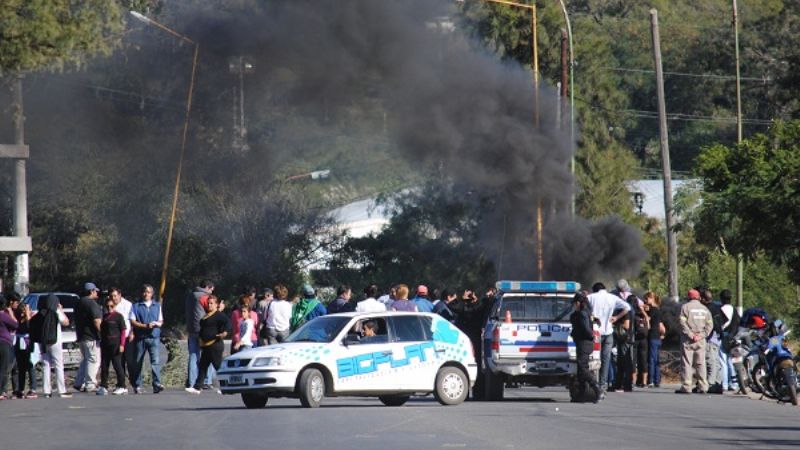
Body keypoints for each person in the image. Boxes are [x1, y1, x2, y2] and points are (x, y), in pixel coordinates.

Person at [588, 282, 631, 393]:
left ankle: (594, 383)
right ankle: (603, 384)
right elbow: (628, 307)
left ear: (595, 290)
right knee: (606, 360)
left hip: (595, 333)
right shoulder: (612, 297)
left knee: (594, 359)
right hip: (608, 332)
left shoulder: (591, 297)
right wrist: (616, 317)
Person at [186, 295, 230, 394]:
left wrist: (225, 332)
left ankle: (226, 386)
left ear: (216, 305)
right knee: (202, 366)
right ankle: (197, 387)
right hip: (206, 346)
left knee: (218, 366)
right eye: (208, 303)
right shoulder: (207, 315)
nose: (209, 305)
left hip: (215, 345)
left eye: (212, 303)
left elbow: (228, 322)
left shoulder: (218, 315)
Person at [30, 294, 72, 398]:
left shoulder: (39, 313)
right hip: (55, 341)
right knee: (58, 364)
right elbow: (66, 322)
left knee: (45, 364)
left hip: (42, 341)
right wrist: (60, 310)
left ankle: (46, 390)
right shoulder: (55, 311)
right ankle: (61, 390)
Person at [676, 289, 713, 394]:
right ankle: (703, 386)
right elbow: (710, 325)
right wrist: (701, 336)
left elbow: (682, 323)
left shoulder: (685, 307)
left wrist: (691, 335)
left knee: (687, 362)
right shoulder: (705, 309)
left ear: (689, 297)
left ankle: (687, 386)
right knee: (701, 363)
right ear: (699, 297)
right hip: (701, 340)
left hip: (688, 339)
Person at [130, 284, 165, 394]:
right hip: (141, 338)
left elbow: (161, 320)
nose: (146, 294)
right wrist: (145, 326)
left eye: (149, 292)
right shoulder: (136, 306)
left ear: (152, 294)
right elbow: (133, 321)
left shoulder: (157, 306)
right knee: (138, 362)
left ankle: (156, 384)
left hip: (154, 337)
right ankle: (137, 384)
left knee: (155, 362)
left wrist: (157, 324)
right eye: (145, 292)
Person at [570, 292, 601, 403]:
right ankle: (582, 395)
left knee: (582, 368)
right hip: (584, 343)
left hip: (584, 343)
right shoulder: (588, 312)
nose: (574, 306)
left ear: (578, 303)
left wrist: (590, 336)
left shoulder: (583, 313)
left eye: (575, 304)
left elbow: (586, 328)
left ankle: (597, 387)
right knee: (580, 371)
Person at [185, 279, 214, 389]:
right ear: (207, 287)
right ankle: (207, 380)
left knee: (193, 355)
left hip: (191, 329)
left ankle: (192, 381)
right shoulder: (204, 297)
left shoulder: (190, 296)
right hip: (203, 329)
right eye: (211, 289)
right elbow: (211, 310)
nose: (211, 292)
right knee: (208, 354)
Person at [74, 282, 103, 392]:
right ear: (91, 291)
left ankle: (79, 382)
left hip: (81, 336)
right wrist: (102, 333)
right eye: (95, 291)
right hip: (91, 336)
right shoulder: (91, 303)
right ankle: (90, 383)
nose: (97, 293)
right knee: (93, 360)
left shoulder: (79, 302)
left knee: (85, 360)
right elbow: (96, 321)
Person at [97, 296, 127, 396]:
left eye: (111, 306)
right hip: (105, 344)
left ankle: (122, 386)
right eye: (107, 306)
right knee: (104, 366)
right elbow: (102, 331)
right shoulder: (104, 317)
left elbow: (123, 331)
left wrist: (122, 344)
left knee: (117, 365)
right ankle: (103, 386)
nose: (109, 308)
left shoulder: (119, 316)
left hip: (116, 345)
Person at [10, 293, 37, 399]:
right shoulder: (17, 320)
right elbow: (17, 325)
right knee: (20, 367)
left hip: (28, 342)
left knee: (30, 365)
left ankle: (32, 388)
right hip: (19, 341)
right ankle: (20, 389)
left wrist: (28, 315)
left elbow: (30, 327)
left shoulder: (30, 320)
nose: (24, 314)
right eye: (21, 312)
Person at [699, 288, 725, 394]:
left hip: (711, 337)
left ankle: (711, 383)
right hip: (718, 336)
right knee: (717, 361)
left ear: (704, 299)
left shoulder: (707, 309)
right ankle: (718, 382)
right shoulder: (717, 307)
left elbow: (709, 324)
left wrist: (705, 336)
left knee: (710, 361)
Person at [108, 287, 133, 387]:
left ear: (120, 295)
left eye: (115, 296)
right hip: (115, 339)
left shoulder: (128, 305)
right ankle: (121, 384)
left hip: (127, 337)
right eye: (112, 296)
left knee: (130, 361)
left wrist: (132, 333)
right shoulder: (109, 305)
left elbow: (132, 320)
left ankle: (135, 383)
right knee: (118, 362)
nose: (114, 298)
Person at [612, 295, 636, 392]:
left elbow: (626, 325)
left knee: (625, 362)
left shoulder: (626, 312)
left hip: (625, 339)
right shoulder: (632, 311)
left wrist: (615, 323)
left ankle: (625, 384)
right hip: (627, 338)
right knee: (624, 362)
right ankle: (621, 384)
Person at [718, 289, 739, 392]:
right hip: (732, 337)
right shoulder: (734, 309)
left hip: (723, 337)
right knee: (730, 361)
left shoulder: (720, 309)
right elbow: (737, 323)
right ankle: (734, 384)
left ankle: (724, 384)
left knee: (722, 361)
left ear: (721, 299)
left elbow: (719, 324)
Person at [644, 292, 665, 388]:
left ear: (651, 299)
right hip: (657, 337)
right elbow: (661, 326)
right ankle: (657, 380)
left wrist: (642, 311)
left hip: (652, 335)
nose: (645, 301)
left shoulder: (653, 309)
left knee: (652, 359)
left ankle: (651, 380)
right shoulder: (659, 310)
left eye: (647, 299)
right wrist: (663, 333)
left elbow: (648, 319)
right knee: (656, 359)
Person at [0, 295, 18, 400]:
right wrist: (10, 313)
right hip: (4, 342)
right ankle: (2, 391)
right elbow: (15, 324)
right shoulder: (2, 315)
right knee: (3, 367)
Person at [633, 298, 649, 388]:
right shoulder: (638, 317)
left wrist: (644, 313)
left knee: (639, 360)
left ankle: (639, 382)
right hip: (640, 339)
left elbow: (648, 326)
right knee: (638, 360)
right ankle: (639, 382)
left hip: (640, 340)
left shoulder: (640, 316)